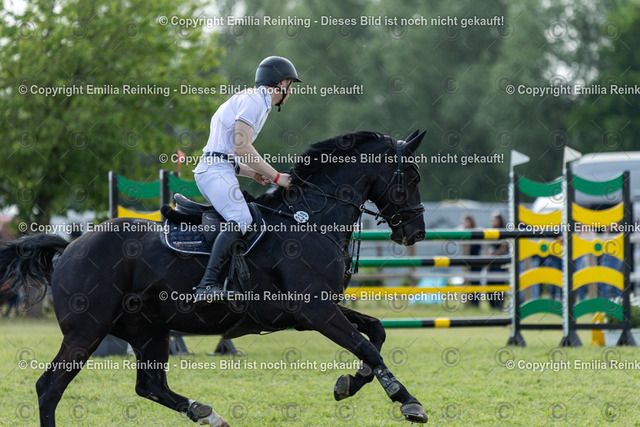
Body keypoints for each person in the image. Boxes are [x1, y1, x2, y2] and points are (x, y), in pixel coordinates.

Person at [192, 56, 301, 301]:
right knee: (242, 218)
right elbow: (241, 147)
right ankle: (206, 284)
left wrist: (252, 173)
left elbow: (227, 152)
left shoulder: (253, 99)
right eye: (290, 85)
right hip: (215, 170)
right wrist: (276, 177)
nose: (291, 91)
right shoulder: (255, 102)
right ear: (281, 84)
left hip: (218, 168)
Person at [487, 212, 508, 309]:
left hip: (501, 262)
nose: (493, 221)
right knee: (490, 282)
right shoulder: (491, 231)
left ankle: (499, 304)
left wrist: (493, 253)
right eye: (492, 220)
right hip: (492, 262)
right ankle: (492, 305)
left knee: (499, 283)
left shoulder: (503, 231)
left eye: (495, 219)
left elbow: (504, 249)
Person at [461, 215, 482, 306]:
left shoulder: (476, 231)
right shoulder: (463, 231)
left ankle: (475, 303)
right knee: (466, 281)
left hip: (476, 261)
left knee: (475, 282)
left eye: (466, 222)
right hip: (467, 262)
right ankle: (467, 302)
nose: (464, 224)